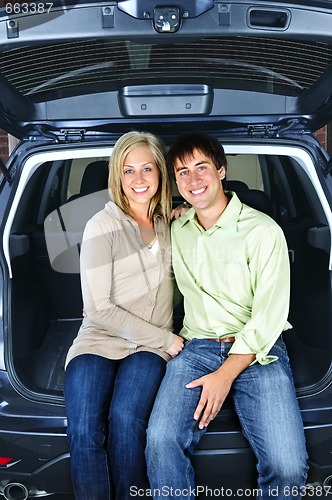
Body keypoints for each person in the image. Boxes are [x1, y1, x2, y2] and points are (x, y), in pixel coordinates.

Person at [146, 132, 308, 499]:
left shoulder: (264, 232)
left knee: (287, 466)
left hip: (257, 351)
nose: (193, 180)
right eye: (182, 172)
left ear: (221, 171)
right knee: (160, 443)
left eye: (202, 167)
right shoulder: (176, 230)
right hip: (196, 348)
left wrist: (224, 375)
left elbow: (269, 317)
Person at [64, 131, 184, 500]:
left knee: (127, 421)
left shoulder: (175, 223)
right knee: (84, 429)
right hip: (100, 339)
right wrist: (167, 339)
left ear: (161, 173)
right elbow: (99, 309)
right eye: (128, 170)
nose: (138, 179)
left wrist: (184, 211)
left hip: (146, 349)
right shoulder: (103, 224)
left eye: (147, 168)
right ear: (117, 176)